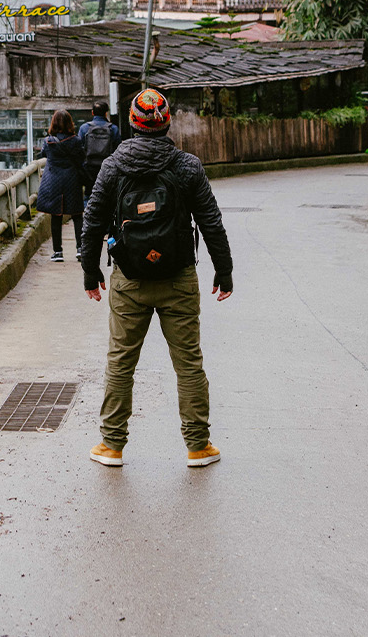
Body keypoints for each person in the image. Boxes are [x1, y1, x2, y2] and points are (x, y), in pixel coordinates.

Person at [81, 87, 233, 468]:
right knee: (188, 364)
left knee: (121, 362)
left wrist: (90, 271)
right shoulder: (187, 166)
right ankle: (198, 446)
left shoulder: (112, 167)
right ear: (167, 123)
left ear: (132, 123)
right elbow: (211, 222)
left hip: (128, 280)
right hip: (178, 278)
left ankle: (112, 446)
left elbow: (92, 221)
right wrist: (223, 270)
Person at [36, 109, 86, 262]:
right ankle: (80, 249)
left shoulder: (49, 141)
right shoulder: (76, 141)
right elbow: (81, 158)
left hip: (54, 181)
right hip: (72, 180)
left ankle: (58, 252)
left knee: (56, 216)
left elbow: (43, 154)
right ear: (70, 123)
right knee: (77, 215)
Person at [78, 100, 120, 199]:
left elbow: (79, 149)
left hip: (89, 168)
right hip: (108, 168)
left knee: (89, 195)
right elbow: (118, 149)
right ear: (106, 113)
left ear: (92, 112)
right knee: (108, 196)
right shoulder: (113, 129)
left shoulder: (84, 128)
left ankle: (88, 214)